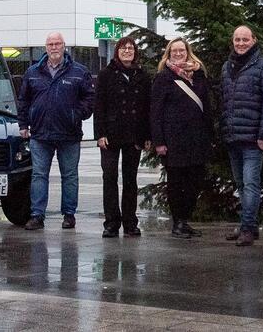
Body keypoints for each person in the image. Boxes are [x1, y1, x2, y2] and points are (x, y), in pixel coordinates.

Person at [17, 32, 96, 230]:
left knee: (69, 176)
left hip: (69, 134)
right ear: (46, 47)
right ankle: (37, 215)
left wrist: (76, 114)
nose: (54, 47)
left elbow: (89, 98)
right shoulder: (33, 72)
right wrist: (23, 125)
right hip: (40, 134)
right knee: (38, 175)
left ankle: (69, 215)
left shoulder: (79, 71)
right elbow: (23, 100)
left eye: (57, 43)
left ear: (64, 47)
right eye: (50, 44)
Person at [220, 24, 263, 246]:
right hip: (233, 136)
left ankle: (247, 228)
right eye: (237, 39)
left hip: (254, 139)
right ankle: (249, 226)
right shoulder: (227, 67)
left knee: (251, 183)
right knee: (241, 184)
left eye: (245, 39)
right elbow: (224, 101)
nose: (241, 43)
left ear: (254, 40)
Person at [150, 37, 214, 239]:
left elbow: (206, 105)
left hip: (196, 139)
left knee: (194, 181)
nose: (178, 54)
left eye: (182, 50)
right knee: (176, 184)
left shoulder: (198, 76)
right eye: (174, 51)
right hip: (174, 140)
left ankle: (185, 220)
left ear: (188, 52)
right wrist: (159, 141)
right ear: (168, 54)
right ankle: (177, 222)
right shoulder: (163, 78)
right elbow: (156, 112)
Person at [95, 34, 150, 237]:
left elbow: (146, 108)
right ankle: (111, 222)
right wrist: (100, 134)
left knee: (130, 179)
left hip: (133, 134)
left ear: (135, 52)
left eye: (131, 48)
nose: (127, 51)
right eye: (123, 48)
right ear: (117, 51)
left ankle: (130, 222)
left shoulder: (142, 75)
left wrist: (146, 136)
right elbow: (99, 106)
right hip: (110, 134)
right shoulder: (106, 74)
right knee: (109, 177)